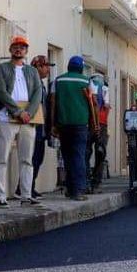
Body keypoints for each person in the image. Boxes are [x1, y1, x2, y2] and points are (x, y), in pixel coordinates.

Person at [0, 36, 43, 208]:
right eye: (15, 47)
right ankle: (0, 196)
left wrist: (28, 113)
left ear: (26, 51)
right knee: (1, 158)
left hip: (27, 120)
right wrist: (17, 111)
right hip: (6, 118)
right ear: (10, 50)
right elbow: (2, 92)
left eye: (22, 47)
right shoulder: (1, 69)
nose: (19, 50)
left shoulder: (32, 71)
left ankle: (26, 195)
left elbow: (37, 93)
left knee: (27, 159)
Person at [51, 56, 99, 201]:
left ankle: (69, 189)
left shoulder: (58, 80)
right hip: (80, 124)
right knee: (78, 155)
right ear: (81, 67)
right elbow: (94, 103)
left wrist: (53, 124)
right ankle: (78, 191)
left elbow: (53, 102)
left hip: (63, 123)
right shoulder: (86, 81)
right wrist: (94, 123)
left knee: (66, 156)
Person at [30, 54, 56, 201]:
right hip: (35, 125)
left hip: (42, 126)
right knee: (33, 158)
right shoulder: (34, 83)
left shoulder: (41, 84)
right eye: (46, 66)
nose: (48, 70)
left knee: (38, 158)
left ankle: (30, 186)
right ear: (38, 67)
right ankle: (26, 187)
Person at [87, 74, 111, 192]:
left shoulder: (87, 86)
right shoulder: (105, 89)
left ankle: (86, 181)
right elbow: (106, 105)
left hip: (87, 123)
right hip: (101, 124)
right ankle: (96, 182)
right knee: (100, 152)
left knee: (86, 153)